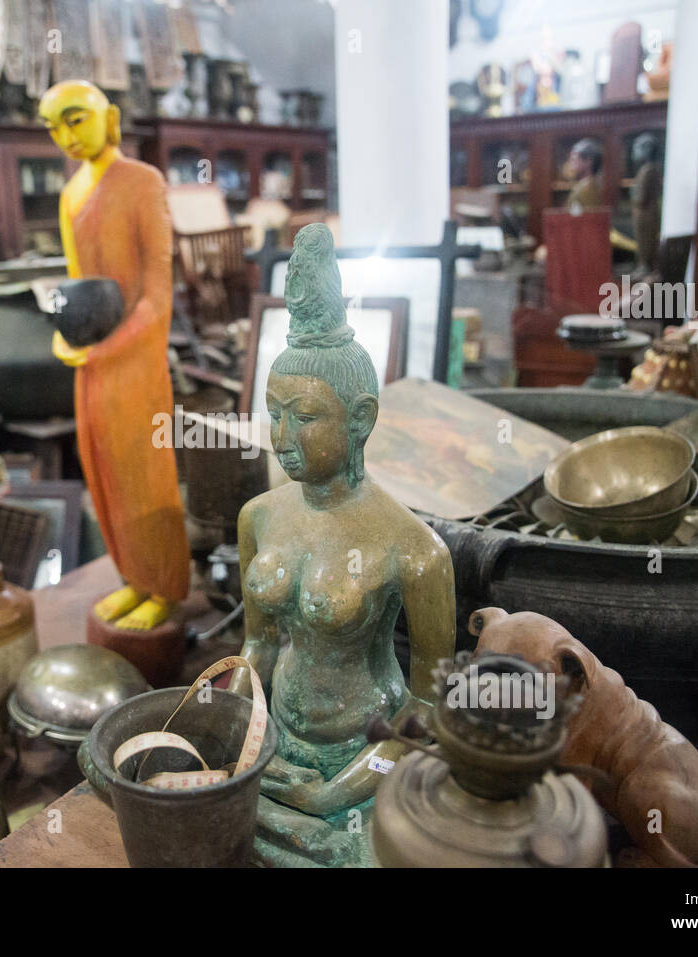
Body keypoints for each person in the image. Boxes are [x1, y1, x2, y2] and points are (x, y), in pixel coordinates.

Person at [228, 224, 456, 865]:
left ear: (361, 418)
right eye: (274, 413)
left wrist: (333, 794)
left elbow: (427, 712)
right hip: (271, 750)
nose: (281, 434)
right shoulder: (259, 517)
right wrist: (240, 726)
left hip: (364, 758)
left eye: (305, 417)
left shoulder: (413, 548)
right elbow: (257, 644)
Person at [37, 80, 189, 631]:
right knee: (100, 467)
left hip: (136, 359)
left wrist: (112, 345)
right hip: (92, 361)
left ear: (110, 117)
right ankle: (132, 578)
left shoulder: (142, 182)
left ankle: (166, 585)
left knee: (143, 471)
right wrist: (64, 333)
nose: (65, 136)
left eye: (75, 119)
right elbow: (77, 285)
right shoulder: (70, 193)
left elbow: (158, 295)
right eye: (54, 126)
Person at [564, 137, 604, 210]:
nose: (571, 164)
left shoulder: (587, 188)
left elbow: (585, 218)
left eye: (574, 160)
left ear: (589, 161)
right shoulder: (582, 185)